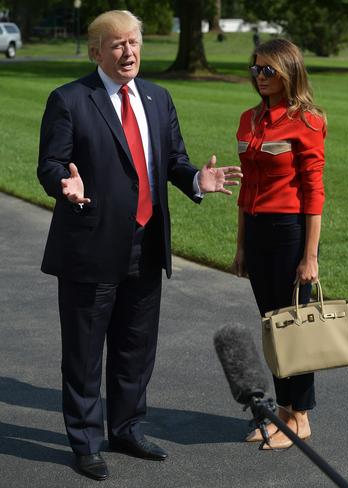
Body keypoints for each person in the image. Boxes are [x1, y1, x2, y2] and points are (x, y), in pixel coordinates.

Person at [37, 10, 242, 481]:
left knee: (135, 348)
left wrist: (195, 178)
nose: (128, 52)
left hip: (146, 244)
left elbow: (172, 160)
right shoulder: (70, 99)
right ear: (96, 52)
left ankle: (126, 428)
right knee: (85, 354)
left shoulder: (157, 96)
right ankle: (86, 442)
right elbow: (51, 163)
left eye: (134, 43)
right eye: (116, 45)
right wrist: (62, 186)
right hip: (90, 246)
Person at [232, 38, 326, 449]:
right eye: (255, 69)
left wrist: (310, 256)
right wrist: (240, 246)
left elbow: (314, 192)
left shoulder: (306, 121)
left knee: (293, 328)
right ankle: (283, 412)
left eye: (269, 70)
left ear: (289, 70)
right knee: (273, 328)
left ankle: (300, 418)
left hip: (289, 232)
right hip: (255, 231)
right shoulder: (249, 119)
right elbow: (245, 187)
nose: (260, 77)